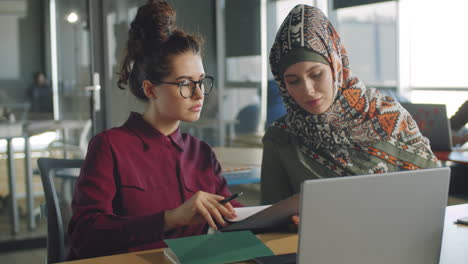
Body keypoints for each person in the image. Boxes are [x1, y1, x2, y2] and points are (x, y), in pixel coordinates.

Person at [67, 0, 240, 260]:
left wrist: (280, 217)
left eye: (202, 82)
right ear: (151, 89)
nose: (198, 94)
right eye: (185, 84)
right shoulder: (109, 146)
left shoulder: (202, 153)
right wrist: (169, 219)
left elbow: (233, 214)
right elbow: (84, 234)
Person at [261, 5, 439, 205]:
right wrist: (291, 222)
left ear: (336, 67)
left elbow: (432, 190)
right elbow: (270, 216)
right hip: (316, 236)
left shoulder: (387, 116)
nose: (308, 90)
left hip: (398, 232)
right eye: (293, 81)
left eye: (316, 75)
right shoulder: (280, 138)